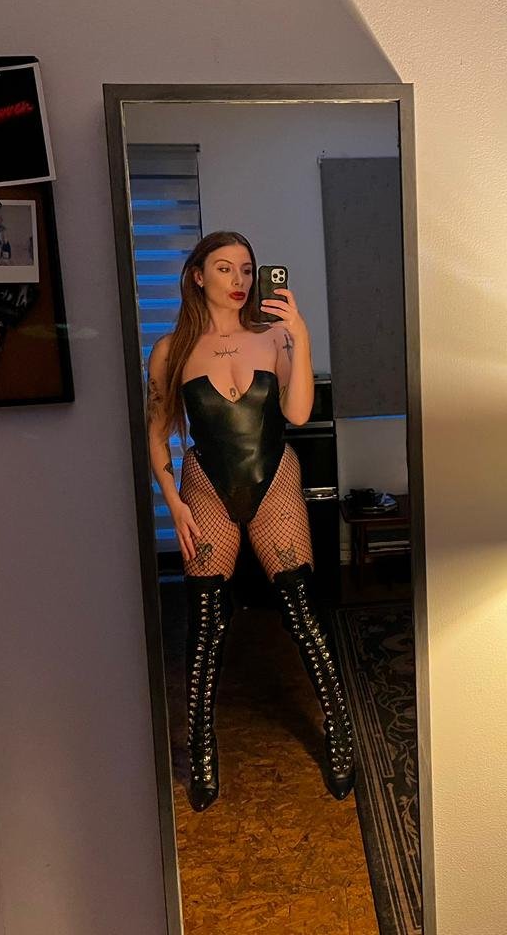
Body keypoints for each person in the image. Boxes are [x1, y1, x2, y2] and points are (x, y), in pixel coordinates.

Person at [146, 230, 354, 812]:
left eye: (246, 269)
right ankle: (201, 746)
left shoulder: (274, 337)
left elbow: (299, 413)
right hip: (206, 486)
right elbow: (157, 433)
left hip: (274, 478)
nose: (238, 281)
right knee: (206, 623)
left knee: (302, 611)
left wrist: (301, 336)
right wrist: (174, 503)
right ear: (197, 276)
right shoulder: (170, 350)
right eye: (224, 268)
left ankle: (338, 729)